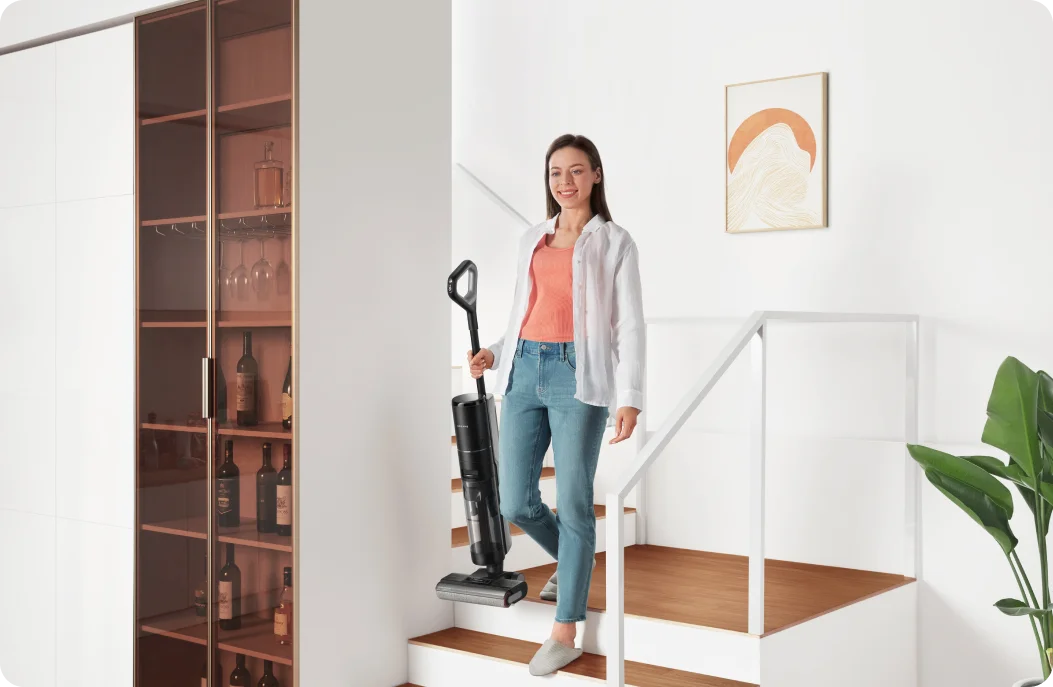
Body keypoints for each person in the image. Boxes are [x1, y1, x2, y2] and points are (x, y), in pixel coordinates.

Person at [467, 133, 645, 676]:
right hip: (524, 372)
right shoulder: (533, 238)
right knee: (514, 501)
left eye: (575, 171)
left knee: (573, 501)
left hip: (579, 377)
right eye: (554, 174)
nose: (564, 183)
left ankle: (565, 629)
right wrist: (495, 353)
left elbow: (630, 325)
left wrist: (631, 398)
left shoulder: (615, 242)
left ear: (595, 175)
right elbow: (525, 309)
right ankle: (574, 563)